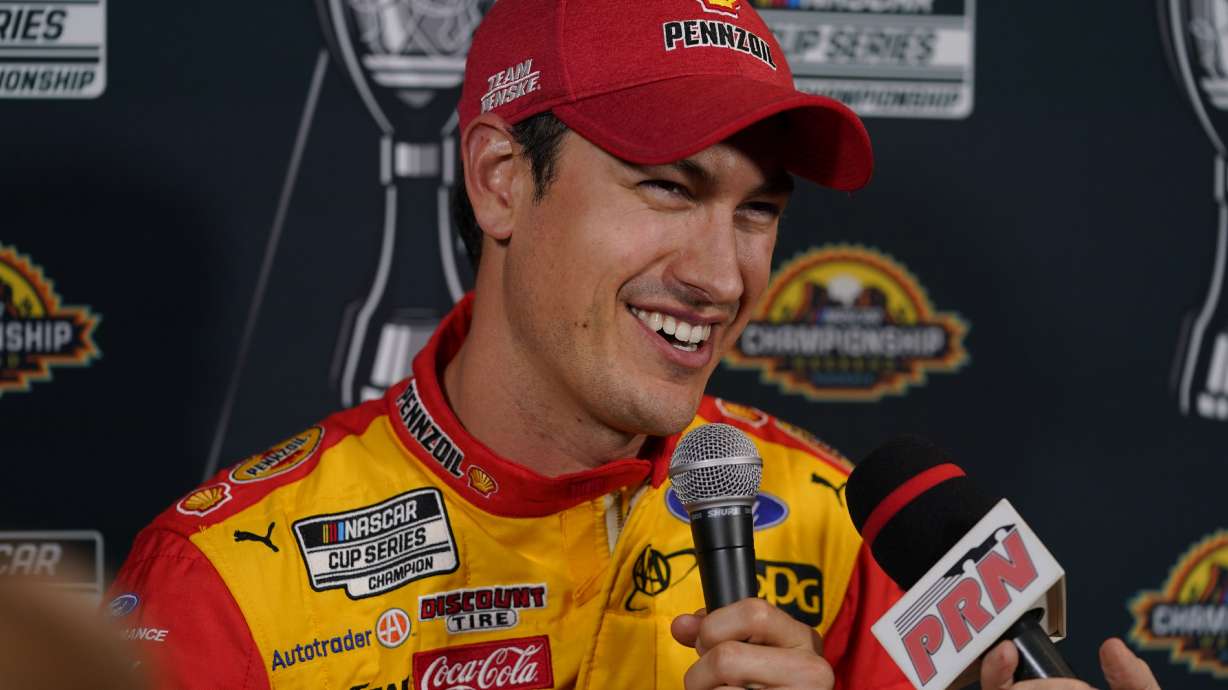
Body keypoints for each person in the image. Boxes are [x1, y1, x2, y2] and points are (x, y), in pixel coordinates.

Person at [107, 1, 1163, 688]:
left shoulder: (840, 534)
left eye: (757, 210)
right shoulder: (225, 585)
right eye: (668, 187)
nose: (721, 274)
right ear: (501, 180)